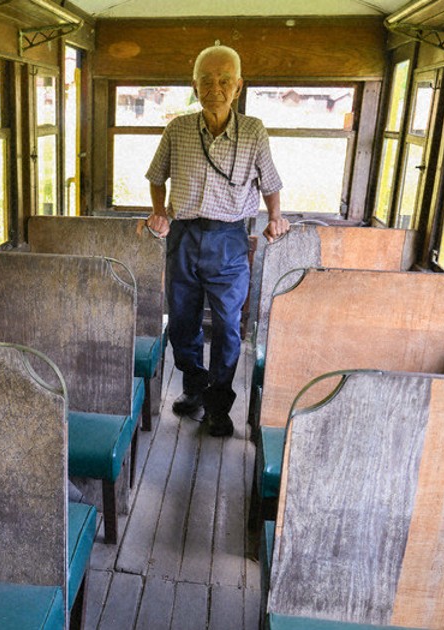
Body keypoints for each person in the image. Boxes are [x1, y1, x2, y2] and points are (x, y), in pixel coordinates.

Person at [145, 44, 289, 438]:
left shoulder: (254, 131)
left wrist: (275, 218)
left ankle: (218, 405)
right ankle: (194, 387)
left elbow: (270, 183)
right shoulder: (177, 129)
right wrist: (160, 211)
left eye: (225, 80)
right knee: (182, 322)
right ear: (194, 85)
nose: (215, 88)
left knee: (227, 328)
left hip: (229, 240)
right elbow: (157, 176)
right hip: (184, 237)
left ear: (238, 86)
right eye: (206, 80)